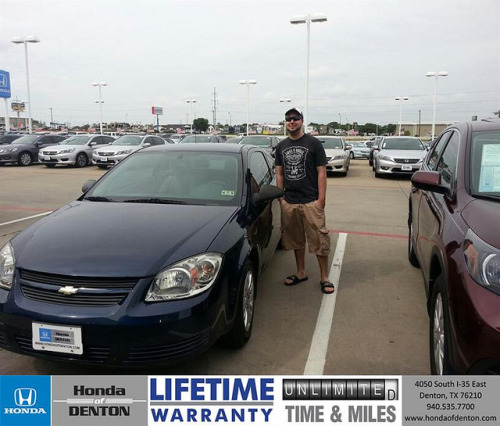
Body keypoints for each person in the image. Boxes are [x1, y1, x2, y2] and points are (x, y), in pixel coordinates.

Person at [275, 107, 334, 294]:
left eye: (295, 118)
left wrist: (321, 200)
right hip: (290, 201)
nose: (291, 122)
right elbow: (279, 173)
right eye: (288, 119)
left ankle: (324, 277)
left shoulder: (313, 143)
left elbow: (321, 172)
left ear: (301, 120)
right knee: (295, 240)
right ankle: (301, 272)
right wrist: (281, 199)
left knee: (319, 240)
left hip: (311, 201)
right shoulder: (281, 146)